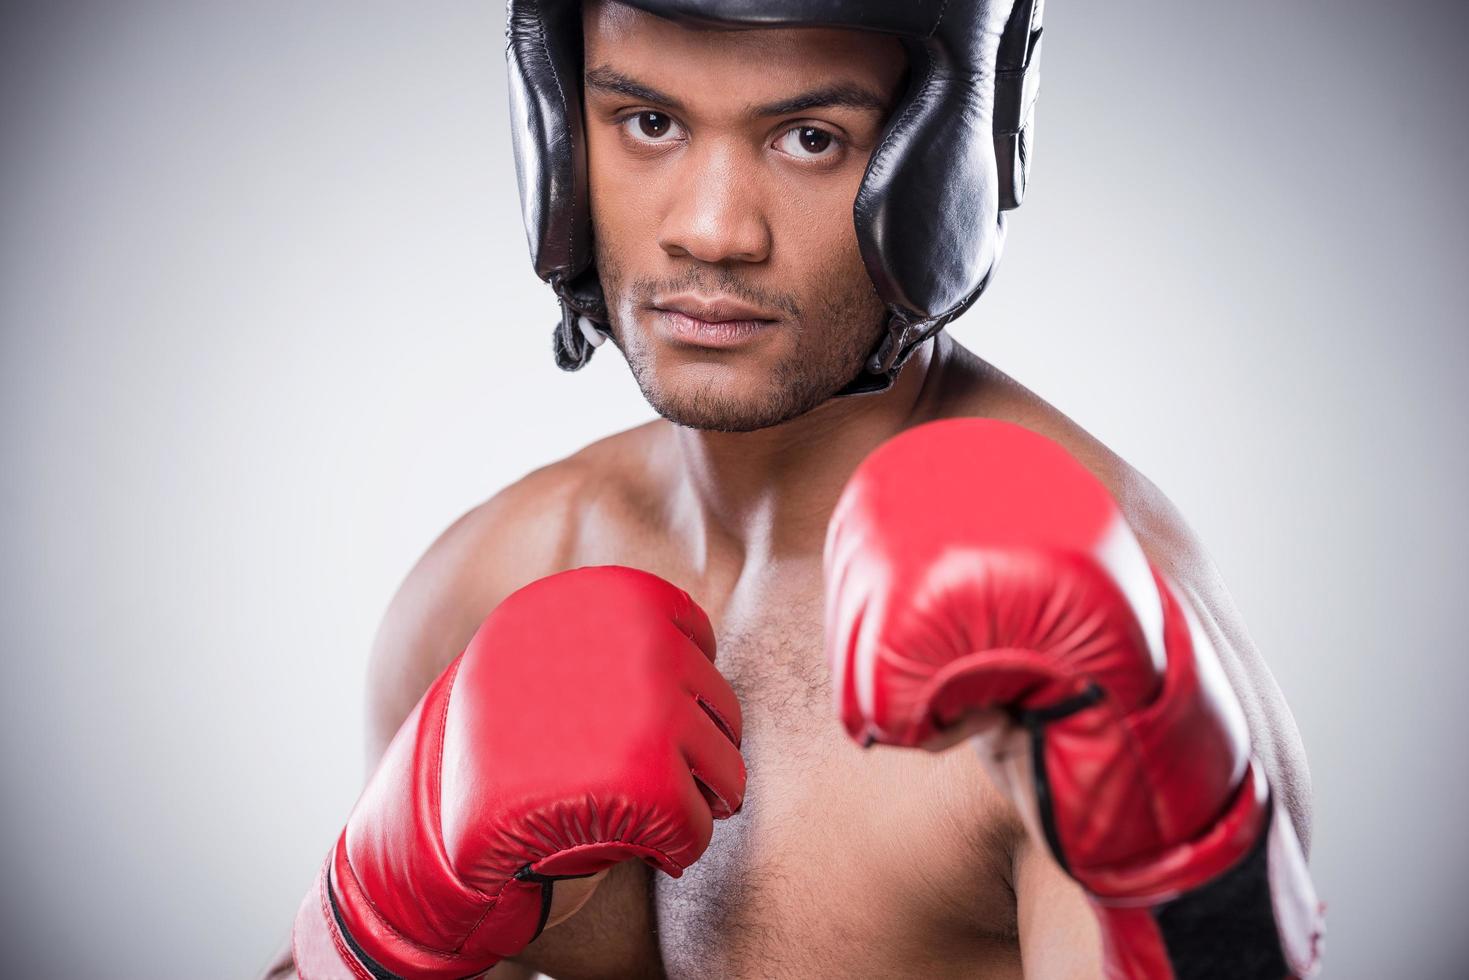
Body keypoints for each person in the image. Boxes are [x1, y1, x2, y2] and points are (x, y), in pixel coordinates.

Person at [262, 1, 1324, 976]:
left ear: (944, 156)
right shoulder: (485, 582)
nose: (713, 230)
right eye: (647, 122)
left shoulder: (1084, 654)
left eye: (809, 137)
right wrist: (364, 928)